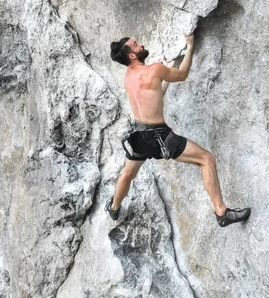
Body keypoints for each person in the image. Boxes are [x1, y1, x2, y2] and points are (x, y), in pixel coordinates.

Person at [106, 34, 250, 227]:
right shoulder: (155, 69)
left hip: (139, 136)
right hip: (161, 137)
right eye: (136, 44)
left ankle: (114, 208)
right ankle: (222, 212)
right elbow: (182, 75)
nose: (141, 44)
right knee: (207, 160)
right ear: (132, 55)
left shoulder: (128, 77)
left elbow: (155, 95)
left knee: (128, 173)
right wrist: (190, 47)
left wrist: (166, 70)